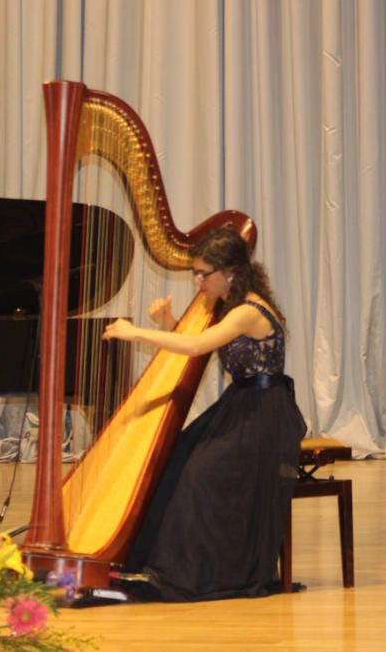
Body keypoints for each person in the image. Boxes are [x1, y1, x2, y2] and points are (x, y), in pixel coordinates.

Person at [101, 227, 306, 601]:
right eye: (196, 272)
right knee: (175, 459)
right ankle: (165, 563)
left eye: (203, 273)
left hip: (264, 415)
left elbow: (196, 345)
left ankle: (201, 570)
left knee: (198, 475)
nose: (197, 280)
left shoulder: (247, 310)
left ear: (229, 272)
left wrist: (138, 333)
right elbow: (202, 346)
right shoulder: (229, 305)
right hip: (241, 406)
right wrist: (168, 322)